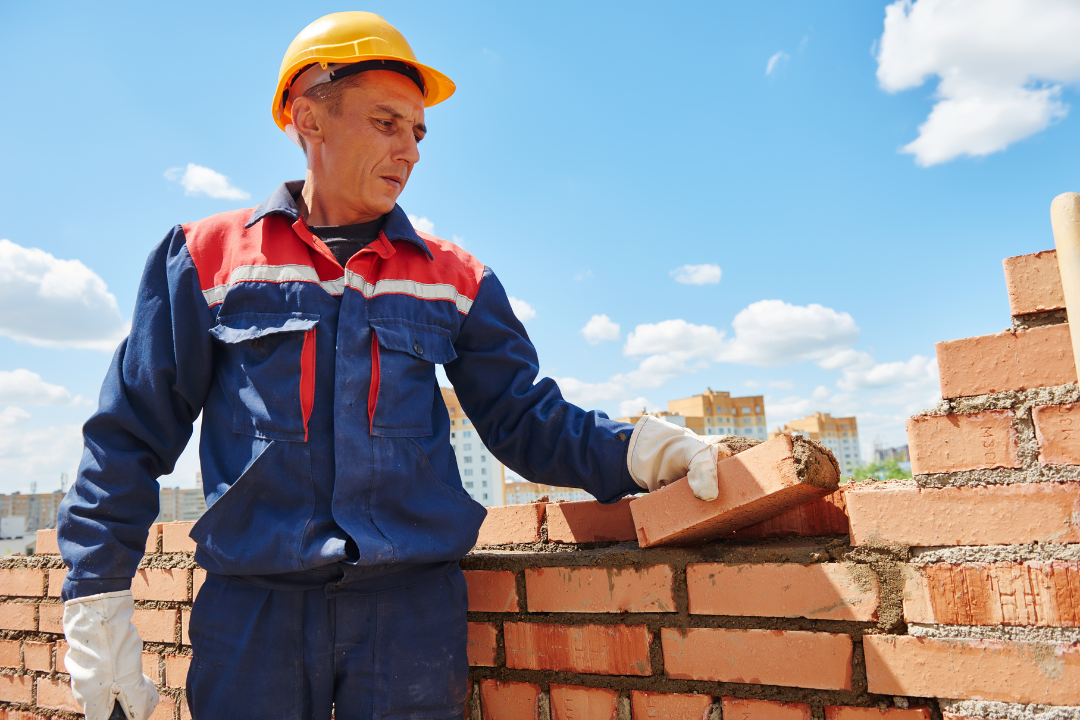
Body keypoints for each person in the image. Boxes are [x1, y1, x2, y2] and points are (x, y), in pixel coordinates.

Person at [56, 12, 725, 720]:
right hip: (254, 617)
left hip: (409, 621)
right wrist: (97, 599)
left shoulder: (454, 277)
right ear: (308, 117)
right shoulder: (205, 258)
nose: (410, 149)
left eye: (418, 131)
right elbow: (130, 435)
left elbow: (523, 418)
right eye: (386, 123)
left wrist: (642, 452)